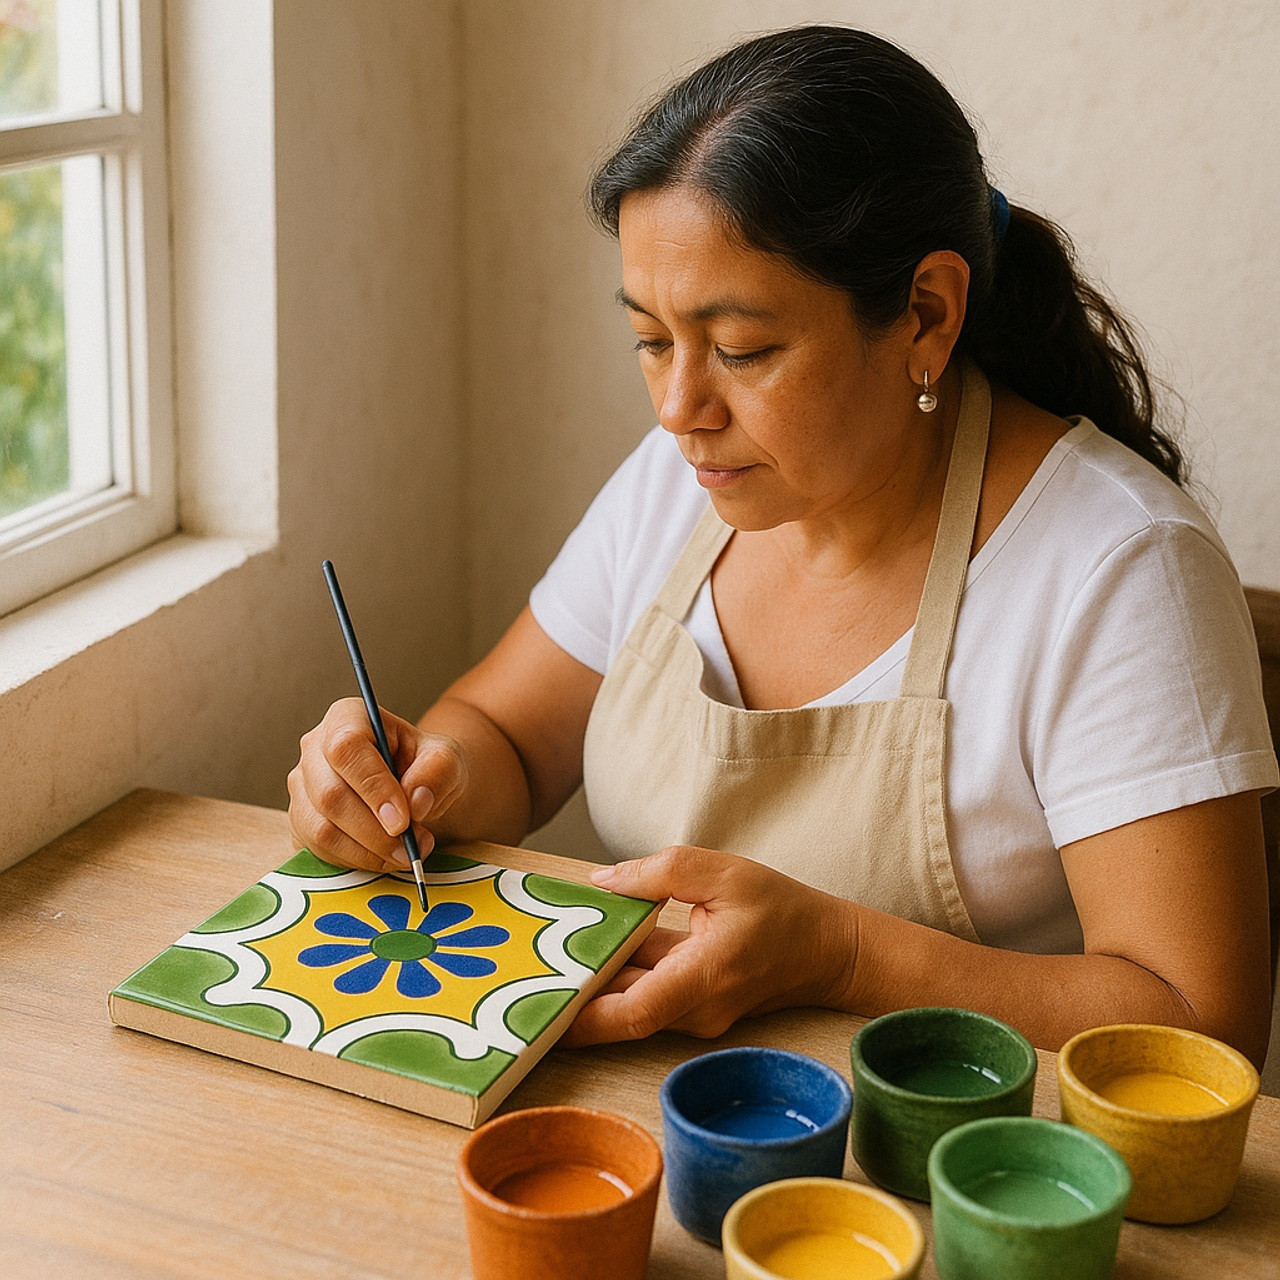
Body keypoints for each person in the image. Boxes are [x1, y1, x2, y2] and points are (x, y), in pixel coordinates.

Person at [288, 26, 1277, 1067]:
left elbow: (1200, 1022)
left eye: (741, 349)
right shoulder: (679, 479)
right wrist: (410, 783)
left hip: (953, 1176)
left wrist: (842, 953)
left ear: (925, 315)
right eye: (650, 339)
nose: (678, 407)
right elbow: (505, 730)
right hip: (664, 1120)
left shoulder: (1117, 567)